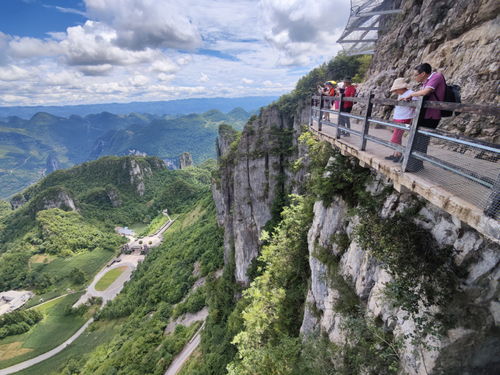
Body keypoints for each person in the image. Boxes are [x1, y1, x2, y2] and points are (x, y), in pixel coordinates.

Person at [402, 63, 446, 172]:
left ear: (423, 74)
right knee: (418, 138)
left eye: (416, 75)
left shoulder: (436, 77)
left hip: (432, 114)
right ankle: (413, 163)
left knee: (421, 140)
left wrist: (412, 95)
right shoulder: (425, 81)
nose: (415, 77)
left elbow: (427, 92)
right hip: (425, 114)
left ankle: (415, 165)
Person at [385, 78, 415, 163]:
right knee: (398, 137)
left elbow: (415, 106)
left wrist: (408, 101)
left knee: (395, 138)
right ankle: (396, 154)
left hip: (405, 117)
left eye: (396, 90)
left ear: (401, 88)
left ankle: (400, 154)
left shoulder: (411, 94)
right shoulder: (401, 94)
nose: (395, 92)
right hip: (398, 117)